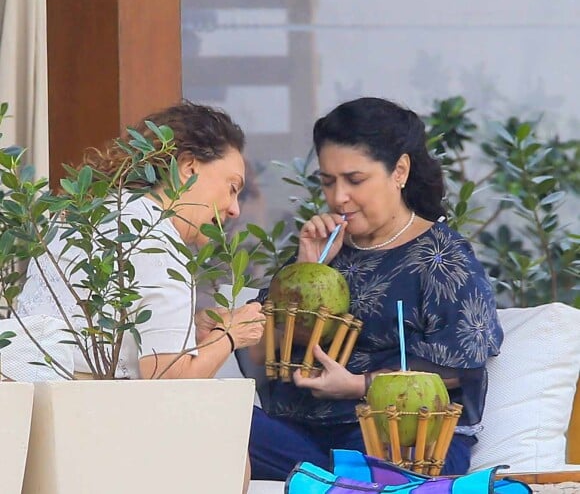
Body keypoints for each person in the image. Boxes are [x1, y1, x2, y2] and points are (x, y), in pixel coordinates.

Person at [248, 97, 504, 479]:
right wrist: (306, 268)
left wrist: (355, 385)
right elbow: (260, 350)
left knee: (384, 462)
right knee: (215, 421)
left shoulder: (443, 257)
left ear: (399, 171)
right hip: (301, 434)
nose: (338, 198)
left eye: (355, 180)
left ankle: (338, 481)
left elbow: (461, 365)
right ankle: (334, 481)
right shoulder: (325, 248)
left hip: (395, 435)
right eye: (327, 181)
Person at [17, 100, 264, 380]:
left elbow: (85, 330)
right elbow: (169, 382)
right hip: (82, 416)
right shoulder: (158, 243)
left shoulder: (88, 211)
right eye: (232, 188)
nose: (235, 209)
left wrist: (189, 330)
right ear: (189, 167)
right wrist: (229, 335)